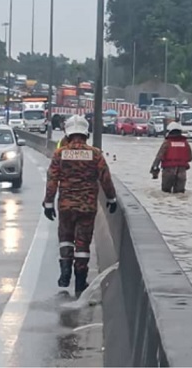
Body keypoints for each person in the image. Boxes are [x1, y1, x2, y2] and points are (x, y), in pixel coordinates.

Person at [42, 115, 118, 297]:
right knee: (83, 244)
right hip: (87, 207)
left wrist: (48, 203)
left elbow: (52, 180)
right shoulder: (95, 154)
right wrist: (111, 199)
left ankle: (65, 271)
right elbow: (105, 179)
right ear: (86, 133)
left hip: (66, 206)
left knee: (66, 238)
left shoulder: (60, 154)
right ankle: (80, 281)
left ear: (67, 134)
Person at [150, 121, 192, 193]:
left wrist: (154, 169)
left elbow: (159, 157)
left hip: (168, 171)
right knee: (180, 193)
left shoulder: (167, 143)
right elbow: (190, 158)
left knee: (165, 193)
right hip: (182, 171)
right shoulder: (185, 143)